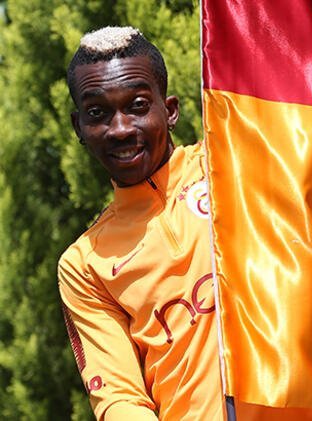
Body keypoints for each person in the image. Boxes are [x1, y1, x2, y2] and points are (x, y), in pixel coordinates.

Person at [58, 26, 224, 420]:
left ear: (170, 110)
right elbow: (119, 398)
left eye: (137, 105)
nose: (120, 129)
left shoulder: (231, 163)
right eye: (97, 113)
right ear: (78, 127)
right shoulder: (84, 265)